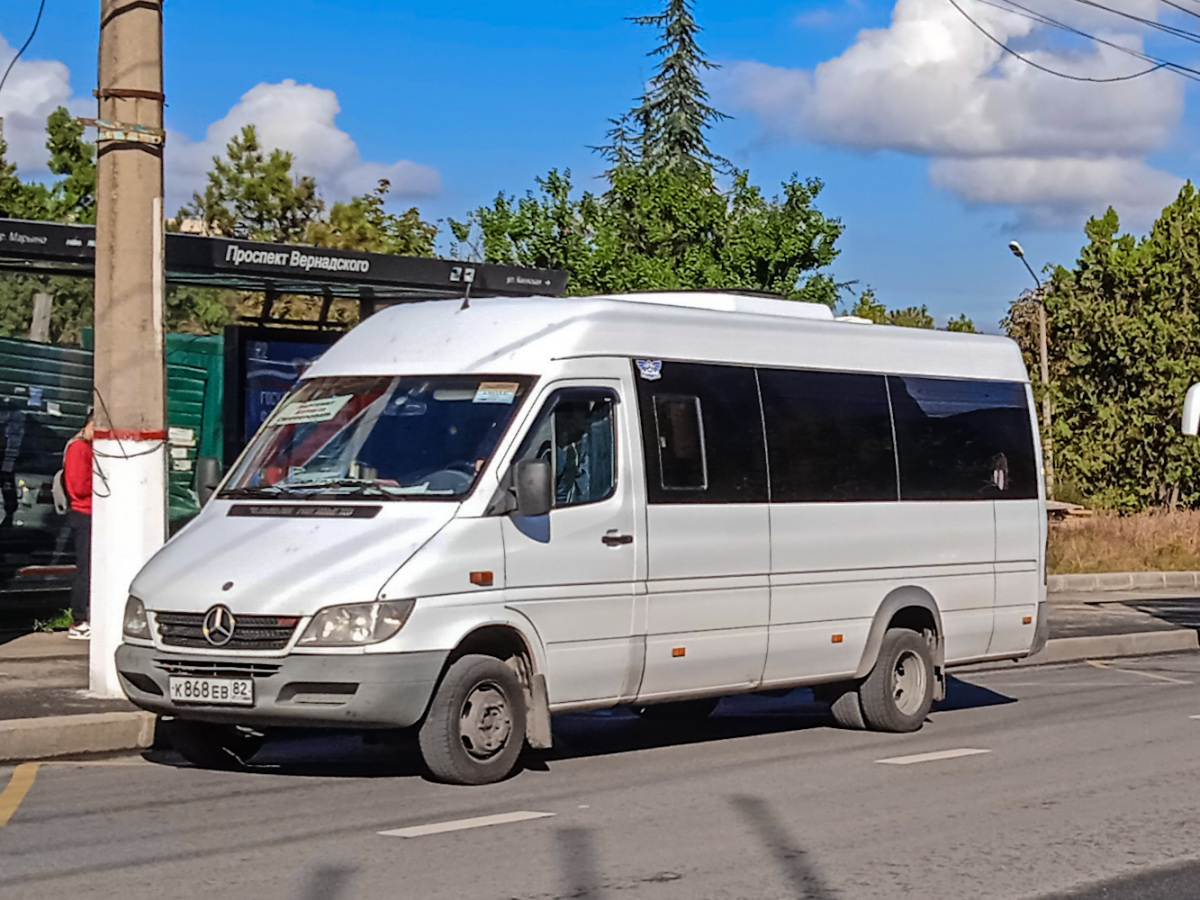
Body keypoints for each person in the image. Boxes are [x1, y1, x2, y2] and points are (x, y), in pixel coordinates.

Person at [63, 410, 94, 640]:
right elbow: (79, 487)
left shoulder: (87, 447)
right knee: (85, 568)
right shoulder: (79, 448)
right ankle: (79, 619)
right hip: (84, 514)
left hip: (90, 513)